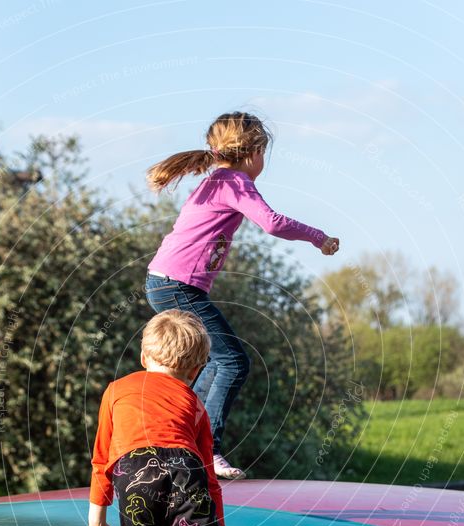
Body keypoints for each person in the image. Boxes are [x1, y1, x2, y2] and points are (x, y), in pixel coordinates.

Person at [145, 111, 340, 480]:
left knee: (215, 362)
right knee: (232, 362)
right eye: (263, 152)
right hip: (177, 284)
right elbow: (271, 222)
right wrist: (319, 237)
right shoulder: (234, 181)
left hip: (165, 281)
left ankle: (186, 438)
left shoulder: (213, 181)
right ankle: (207, 448)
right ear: (252, 153)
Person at [86, 309, 237, 526]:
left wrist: (97, 520)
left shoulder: (115, 390)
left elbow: (101, 460)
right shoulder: (196, 405)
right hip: (185, 468)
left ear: (143, 357)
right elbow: (209, 477)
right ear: (195, 371)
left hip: (133, 472)